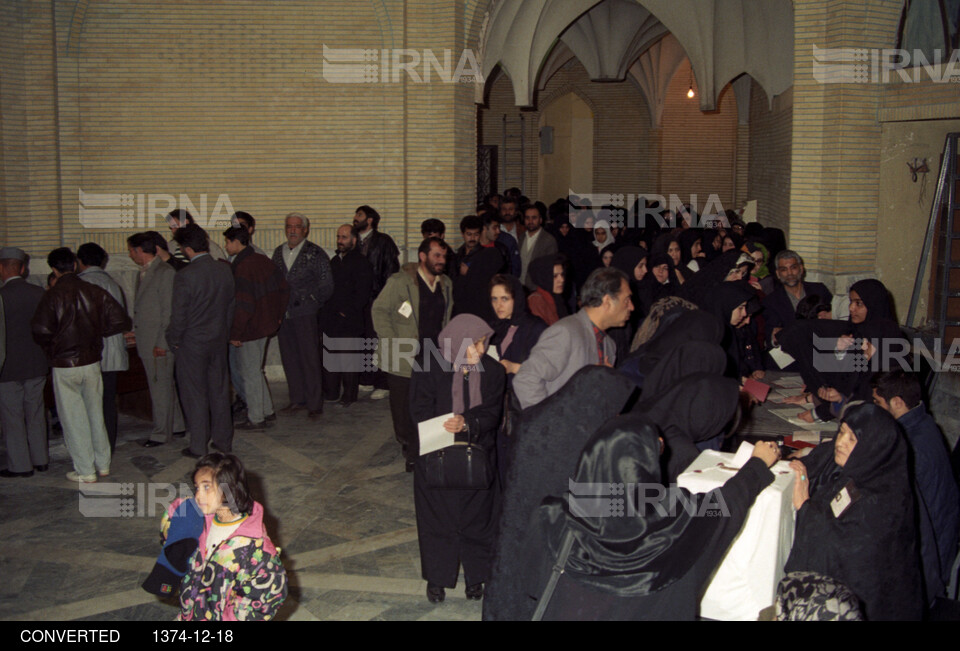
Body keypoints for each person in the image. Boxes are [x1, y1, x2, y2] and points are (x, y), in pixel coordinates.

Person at [518, 414, 779, 620]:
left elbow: (533, 585)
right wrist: (756, 465)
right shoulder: (680, 514)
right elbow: (725, 503)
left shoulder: (550, 516)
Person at [786, 403, 923, 620]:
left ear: (872, 446)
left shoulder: (883, 501)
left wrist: (804, 505)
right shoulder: (864, 472)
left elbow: (843, 554)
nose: (840, 443)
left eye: (852, 438)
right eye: (841, 432)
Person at [410, 315, 506, 603]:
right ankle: (437, 579)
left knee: (479, 521)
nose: (479, 351)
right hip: (436, 457)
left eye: (482, 344)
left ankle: (476, 578)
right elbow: (418, 407)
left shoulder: (492, 371)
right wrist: (446, 425)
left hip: (476, 456)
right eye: (473, 345)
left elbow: (492, 412)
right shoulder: (428, 364)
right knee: (437, 522)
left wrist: (468, 423)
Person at [31, 247, 131, 483]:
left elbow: (40, 330)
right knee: (96, 413)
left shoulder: (52, 295)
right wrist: (95, 333)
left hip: (65, 365)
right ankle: (103, 464)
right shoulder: (93, 290)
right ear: (75, 265)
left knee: (74, 419)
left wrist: (54, 348)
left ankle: (85, 470)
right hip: (92, 361)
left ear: (54, 269)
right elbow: (121, 320)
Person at [160, 452, 287, 621]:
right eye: (197, 487)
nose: (198, 495)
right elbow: (169, 539)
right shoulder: (197, 524)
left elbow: (265, 600)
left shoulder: (255, 549)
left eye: (207, 487)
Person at [872, 370, 960, 605]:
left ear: (897, 403)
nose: (874, 409)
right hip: (938, 541)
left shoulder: (911, 447)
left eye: (877, 403)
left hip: (926, 565)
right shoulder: (924, 423)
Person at [372, 237, 453, 471]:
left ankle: (428, 445)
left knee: (430, 403)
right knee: (403, 406)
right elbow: (379, 310)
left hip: (434, 354)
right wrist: (393, 341)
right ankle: (409, 446)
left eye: (444, 256)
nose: (441, 261)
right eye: (436, 255)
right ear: (423, 256)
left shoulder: (446, 283)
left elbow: (446, 317)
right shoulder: (401, 281)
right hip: (404, 356)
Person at [513, 267, 632, 409]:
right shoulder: (566, 332)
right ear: (607, 301)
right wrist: (548, 423)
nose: (631, 307)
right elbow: (526, 379)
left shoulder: (608, 344)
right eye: (627, 300)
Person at [167, 224, 236, 457]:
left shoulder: (185, 276)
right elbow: (229, 307)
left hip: (192, 343)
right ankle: (223, 441)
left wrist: (173, 340)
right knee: (219, 392)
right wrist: (223, 333)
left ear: (186, 249)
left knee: (194, 394)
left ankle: (198, 445)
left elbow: (179, 315)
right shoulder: (224, 270)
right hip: (218, 340)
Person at [224, 226, 289, 430]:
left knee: (250, 373)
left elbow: (244, 305)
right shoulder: (262, 260)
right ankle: (267, 412)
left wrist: (235, 333)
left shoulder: (243, 266)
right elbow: (284, 290)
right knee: (257, 371)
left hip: (251, 328)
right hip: (266, 325)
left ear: (236, 242)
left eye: (227, 242)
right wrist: (277, 317)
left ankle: (256, 418)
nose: (226, 246)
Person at [271, 212, 334, 419]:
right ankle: (297, 399)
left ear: (305, 230)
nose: (292, 230)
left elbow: (326, 285)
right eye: (289, 226)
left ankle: (315, 404)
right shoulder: (278, 253)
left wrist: (311, 303)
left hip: (306, 313)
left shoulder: (315, 253)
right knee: (290, 358)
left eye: (297, 226)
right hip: (284, 314)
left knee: (309, 358)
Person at [127, 233, 185, 447]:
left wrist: (162, 342)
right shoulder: (142, 273)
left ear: (140, 250)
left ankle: (161, 433)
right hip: (147, 339)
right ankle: (176, 425)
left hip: (158, 343)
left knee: (159, 388)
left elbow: (169, 312)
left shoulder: (164, 272)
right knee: (164, 386)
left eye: (131, 250)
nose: (130, 254)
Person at [0, 247, 49, 478]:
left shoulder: (2, 296)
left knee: (13, 416)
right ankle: (41, 459)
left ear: (1, 268)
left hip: (7, 366)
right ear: (22, 268)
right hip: (37, 363)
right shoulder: (38, 292)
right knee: (36, 411)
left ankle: (20, 465)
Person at [76, 243, 129, 453]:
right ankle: (108, 445)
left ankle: (94, 448)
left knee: (89, 404)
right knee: (107, 401)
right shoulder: (112, 283)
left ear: (80, 262)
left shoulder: (81, 283)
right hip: (112, 351)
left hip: (91, 353)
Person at [321, 224, 374, 407]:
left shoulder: (360, 262)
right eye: (338, 237)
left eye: (344, 237)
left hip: (349, 320)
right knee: (333, 358)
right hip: (332, 320)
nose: (340, 241)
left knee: (350, 361)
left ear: (353, 240)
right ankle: (332, 393)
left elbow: (363, 292)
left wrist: (347, 311)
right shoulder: (335, 261)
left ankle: (349, 396)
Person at [354, 205, 400, 400]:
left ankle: (383, 383)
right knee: (365, 342)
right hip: (359, 301)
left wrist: (385, 299)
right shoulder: (354, 241)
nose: (355, 218)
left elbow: (391, 271)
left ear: (370, 220)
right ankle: (367, 379)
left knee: (382, 342)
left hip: (378, 299)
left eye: (359, 215)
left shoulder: (383, 241)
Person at [761, 250, 832, 347]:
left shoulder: (819, 290)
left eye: (793, 268)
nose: (789, 273)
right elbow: (771, 335)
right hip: (793, 352)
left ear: (801, 269)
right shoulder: (771, 301)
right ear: (778, 274)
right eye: (784, 269)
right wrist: (774, 338)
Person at [519, 203, 558, 289]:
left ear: (540, 220)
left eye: (534, 218)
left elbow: (550, 270)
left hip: (537, 288)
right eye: (527, 218)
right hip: (520, 286)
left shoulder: (548, 240)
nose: (530, 221)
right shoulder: (521, 237)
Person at [526, 255, 568, 327]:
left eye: (562, 274)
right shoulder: (536, 301)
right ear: (544, 277)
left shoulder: (557, 299)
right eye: (555, 276)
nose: (562, 280)